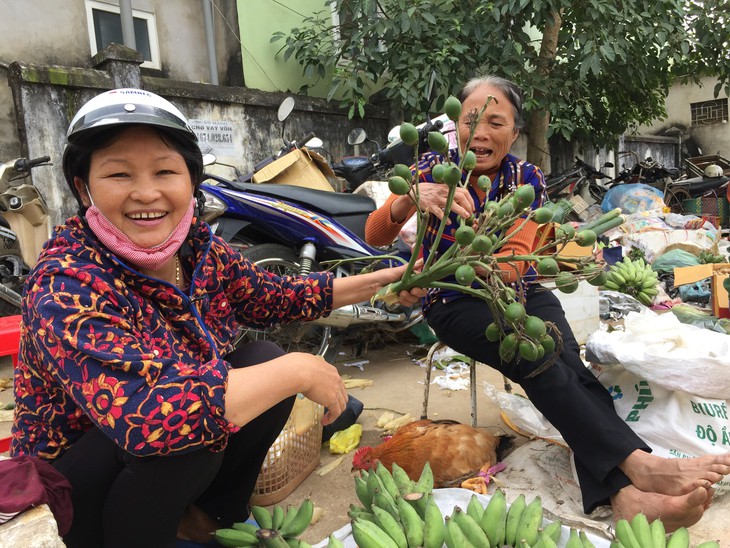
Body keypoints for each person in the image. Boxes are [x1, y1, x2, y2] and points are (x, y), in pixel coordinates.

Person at [10, 88, 423, 548]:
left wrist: (385, 280)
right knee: (196, 424)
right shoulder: (66, 281)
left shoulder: (197, 248)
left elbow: (276, 297)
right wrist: (299, 368)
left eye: (165, 171)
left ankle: (207, 518)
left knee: (260, 358)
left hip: (154, 459)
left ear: (191, 180)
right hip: (74, 488)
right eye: (118, 174)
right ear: (83, 186)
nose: (146, 193)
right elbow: (146, 416)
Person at [365, 75, 730, 531]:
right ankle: (638, 467)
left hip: (517, 291)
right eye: (470, 119)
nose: (479, 131)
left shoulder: (525, 178)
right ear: (456, 124)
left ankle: (624, 493)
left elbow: (520, 260)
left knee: (565, 358)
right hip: (454, 298)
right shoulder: (435, 167)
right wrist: (406, 202)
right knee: (533, 353)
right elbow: (374, 235)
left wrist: (486, 263)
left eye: (494, 121)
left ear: (513, 133)